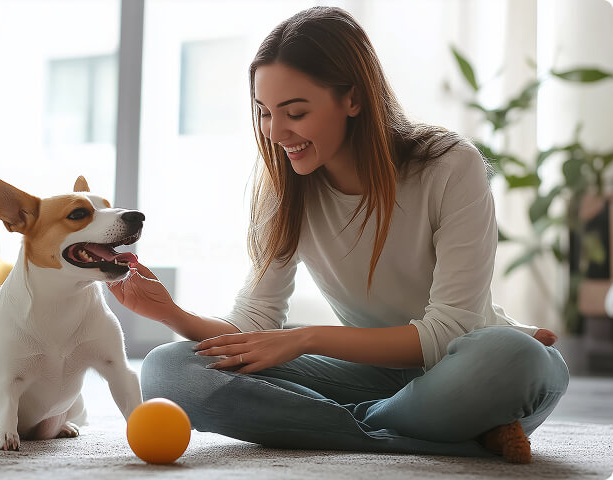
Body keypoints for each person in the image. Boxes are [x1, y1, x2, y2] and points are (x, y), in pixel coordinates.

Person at [107, 6, 568, 463]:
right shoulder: (285, 185)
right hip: (372, 376)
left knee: (514, 356)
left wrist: (306, 338)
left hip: (464, 366)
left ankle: (348, 423)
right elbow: (253, 324)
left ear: (353, 98)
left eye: (295, 112)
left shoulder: (449, 165)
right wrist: (170, 313)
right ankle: (442, 432)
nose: (276, 132)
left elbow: (447, 333)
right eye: (264, 113)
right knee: (170, 370)